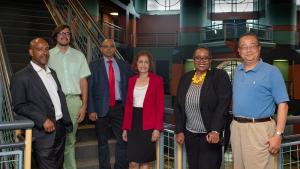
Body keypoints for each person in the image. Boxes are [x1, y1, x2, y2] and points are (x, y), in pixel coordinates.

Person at [10, 38, 73, 169]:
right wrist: (43, 119)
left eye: (46, 49)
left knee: (58, 166)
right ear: (31, 52)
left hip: (60, 129)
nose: (44, 52)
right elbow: (19, 106)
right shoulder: (20, 77)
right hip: (42, 133)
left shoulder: (52, 73)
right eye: (39, 49)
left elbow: (58, 99)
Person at [231, 33, 289, 169]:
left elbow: (283, 105)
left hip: (259, 129)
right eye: (244, 47)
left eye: (252, 46)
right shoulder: (237, 70)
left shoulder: (272, 72)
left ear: (259, 49)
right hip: (237, 127)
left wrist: (278, 134)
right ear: (239, 51)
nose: (248, 50)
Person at [174, 47, 232, 169]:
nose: (202, 60)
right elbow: (178, 106)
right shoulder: (185, 78)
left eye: (205, 57)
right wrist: (180, 131)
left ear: (210, 60)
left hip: (210, 135)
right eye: (198, 57)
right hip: (190, 134)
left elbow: (223, 104)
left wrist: (216, 130)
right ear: (194, 60)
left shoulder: (219, 76)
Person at [87, 39, 136, 169]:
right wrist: (91, 109)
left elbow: (134, 78)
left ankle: (120, 166)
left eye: (111, 46)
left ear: (115, 49)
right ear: (101, 49)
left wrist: (148, 75)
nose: (108, 49)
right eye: (105, 46)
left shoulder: (124, 64)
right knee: (102, 142)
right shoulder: (93, 64)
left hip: (120, 107)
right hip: (100, 108)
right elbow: (89, 88)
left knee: (123, 140)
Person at [47, 24, 91, 169]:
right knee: (52, 139)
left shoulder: (78, 55)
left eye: (68, 33)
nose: (65, 35)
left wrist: (84, 106)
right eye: (61, 33)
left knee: (70, 140)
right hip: (53, 102)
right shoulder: (48, 55)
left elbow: (83, 82)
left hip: (73, 102)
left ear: (70, 37)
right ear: (55, 36)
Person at [122, 51, 164, 169]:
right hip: (133, 124)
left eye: (146, 62)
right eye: (141, 61)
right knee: (133, 163)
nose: (143, 64)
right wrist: (125, 128)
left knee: (145, 162)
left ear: (150, 64)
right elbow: (128, 105)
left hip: (149, 125)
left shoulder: (157, 80)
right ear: (136, 63)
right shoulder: (131, 80)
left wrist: (157, 128)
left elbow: (160, 106)